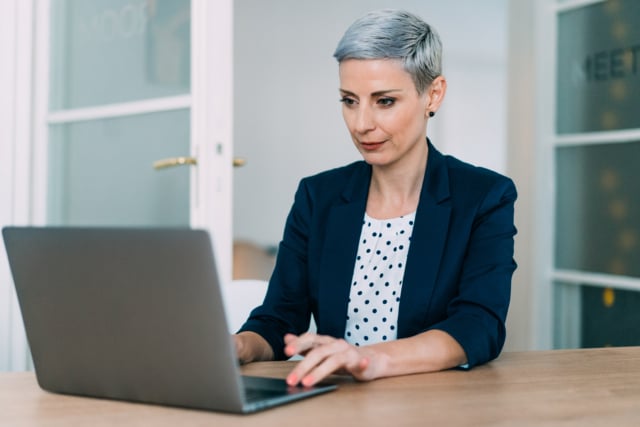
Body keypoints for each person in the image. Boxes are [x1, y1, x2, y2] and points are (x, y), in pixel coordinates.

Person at [234, 9, 517, 387]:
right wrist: (238, 345)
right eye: (349, 100)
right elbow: (279, 319)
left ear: (433, 94)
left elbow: (479, 324)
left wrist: (368, 359)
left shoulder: (484, 197)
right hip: (338, 406)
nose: (361, 123)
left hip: (435, 406)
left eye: (384, 101)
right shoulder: (318, 197)